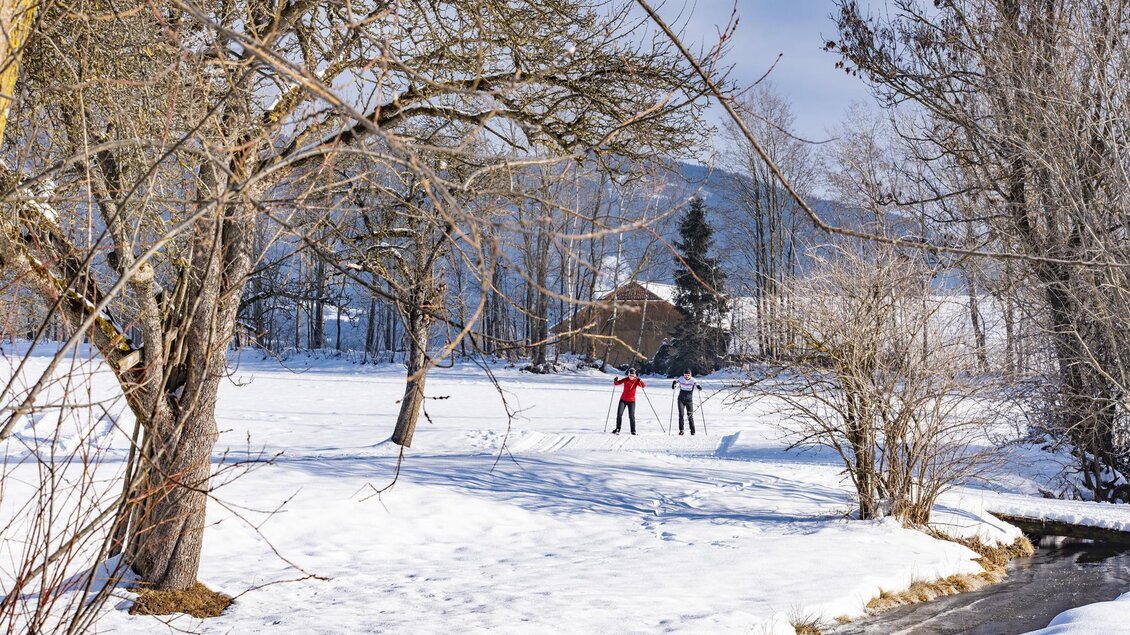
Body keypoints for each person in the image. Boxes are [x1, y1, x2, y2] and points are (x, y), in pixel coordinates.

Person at [612, 368, 645, 435]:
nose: (631, 377)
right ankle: (617, 429)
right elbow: (617, 383)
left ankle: (633, 430)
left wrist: (640, 381)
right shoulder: (625, 379)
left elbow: (643, 386)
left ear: (635, 375)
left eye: (633, 376)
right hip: (623, 400)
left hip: (631, 401)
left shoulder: (636, 381)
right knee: (619, 414)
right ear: (628, 375)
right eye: (630, 375)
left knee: (631, 416)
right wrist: (615, 380)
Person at [671, 369, 702, 435]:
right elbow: (676, 384)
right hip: (681, 400)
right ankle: (681, 430)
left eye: (688, 375)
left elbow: (697, 384)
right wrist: (674, 385)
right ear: (683, 375)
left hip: (689, 400)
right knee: (681, 415)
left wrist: (698, 387)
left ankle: (692, 432)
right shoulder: (681, 378)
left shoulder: (693, 380)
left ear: (690, 375)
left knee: (690, 416)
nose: (687, 376)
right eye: (685, 375)